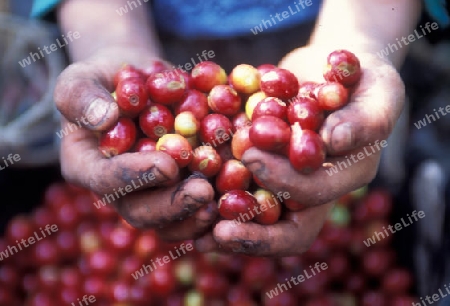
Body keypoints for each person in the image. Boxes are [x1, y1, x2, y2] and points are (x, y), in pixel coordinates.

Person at [31, 0, 425, 256]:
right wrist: (107, 40)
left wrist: (364, 37)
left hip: (339, 22)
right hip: (150, 35)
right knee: (192, 203)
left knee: (350, 174)